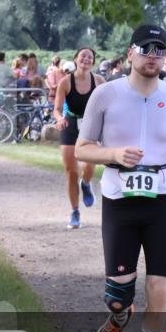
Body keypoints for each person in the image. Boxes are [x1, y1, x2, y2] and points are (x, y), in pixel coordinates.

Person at [76, 24, 166, 332]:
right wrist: (115, 153)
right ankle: (119, 315)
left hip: (161, 198)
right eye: (146, 49)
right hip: (120, 199)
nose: (153, 56)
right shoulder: (106, 95)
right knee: (119, 294)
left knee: (160, 283)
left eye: (159, 50)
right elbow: (81, 148)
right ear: (130, 53)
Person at [53, 47, 104, 229]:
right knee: (71, 171)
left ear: (93, 62)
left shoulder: (99, 81)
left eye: (90, 57)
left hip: (90, 126)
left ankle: (87, 183)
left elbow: (107, 106)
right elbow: (57, 109)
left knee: (89, 167)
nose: (86, 59)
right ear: (75, 59)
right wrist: (59, 120)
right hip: (70, 124)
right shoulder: (66, 82)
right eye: (83, 56)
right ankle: (75, 211)